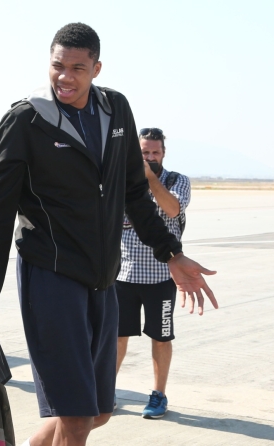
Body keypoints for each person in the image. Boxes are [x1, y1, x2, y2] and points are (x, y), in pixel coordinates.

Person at [0, 23, 218, 446]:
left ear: (96, 69)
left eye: (78, 68)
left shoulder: (115, 110)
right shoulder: (26, 120)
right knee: (77, 415)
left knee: (99, 410)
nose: (65, 77)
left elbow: (134, 192)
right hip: (51, 276)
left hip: (103, 279)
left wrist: (171, 253)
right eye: (58, 66)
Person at [115, 127, 192, 419]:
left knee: (161, 337)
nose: (150, 157)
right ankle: (106, 391)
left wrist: (149, 179)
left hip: (161, 278)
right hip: (123, 276)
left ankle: (159, 395)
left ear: (163, 153)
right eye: (144, 152)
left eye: (155, 152)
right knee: (116, 338)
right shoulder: (122, 181)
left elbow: (172, 209)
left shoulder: (176, 181)